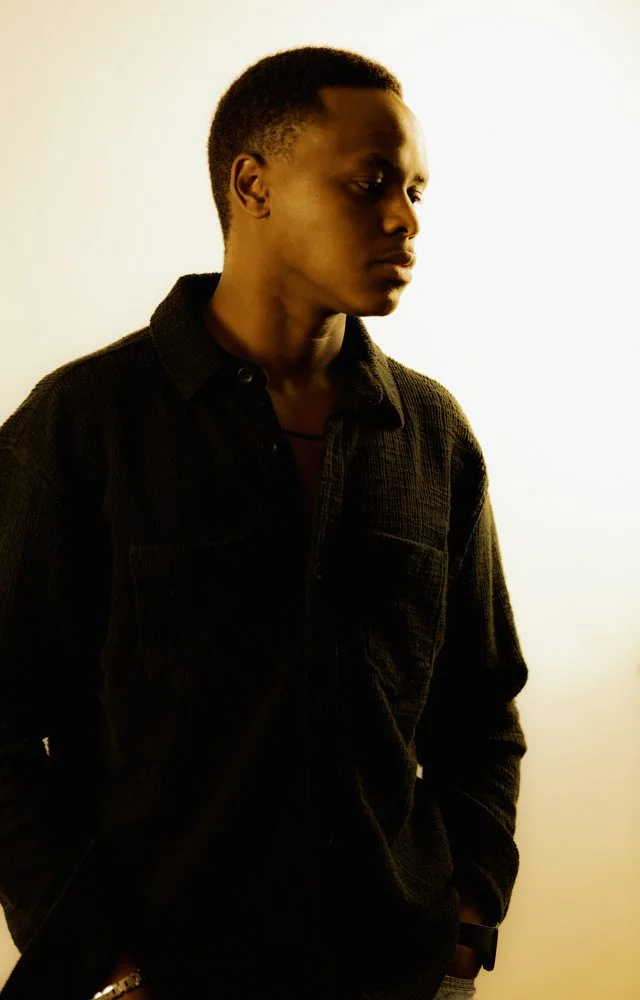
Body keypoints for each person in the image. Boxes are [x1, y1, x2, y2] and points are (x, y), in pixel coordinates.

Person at [0, 45, 528, 1000]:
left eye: (415, 189)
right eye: (371, 184)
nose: (406, 220)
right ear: (254, 185)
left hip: (396, 976)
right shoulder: (81, 425)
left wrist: (463, 923)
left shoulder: (432, 435)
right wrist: (97, 957)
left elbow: (481, 706)